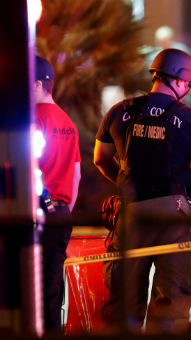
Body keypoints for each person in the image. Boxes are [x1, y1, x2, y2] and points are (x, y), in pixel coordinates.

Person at [94, 48, 191, 333]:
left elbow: (100, 159)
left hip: (132, 213)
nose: (187, 89)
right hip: (176, 216)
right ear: (181, 81)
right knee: (170, 306)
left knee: (124, 302)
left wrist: (125, 186)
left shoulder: (120, 112)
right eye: (188, 84)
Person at [34, 55, 82, 333]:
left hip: (33, 211)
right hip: (61, 212)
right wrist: (65, 211)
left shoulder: (30, 120)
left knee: (28, 286)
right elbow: (76, 175)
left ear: (38, 84)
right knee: (52, 286)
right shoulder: (68, 123)